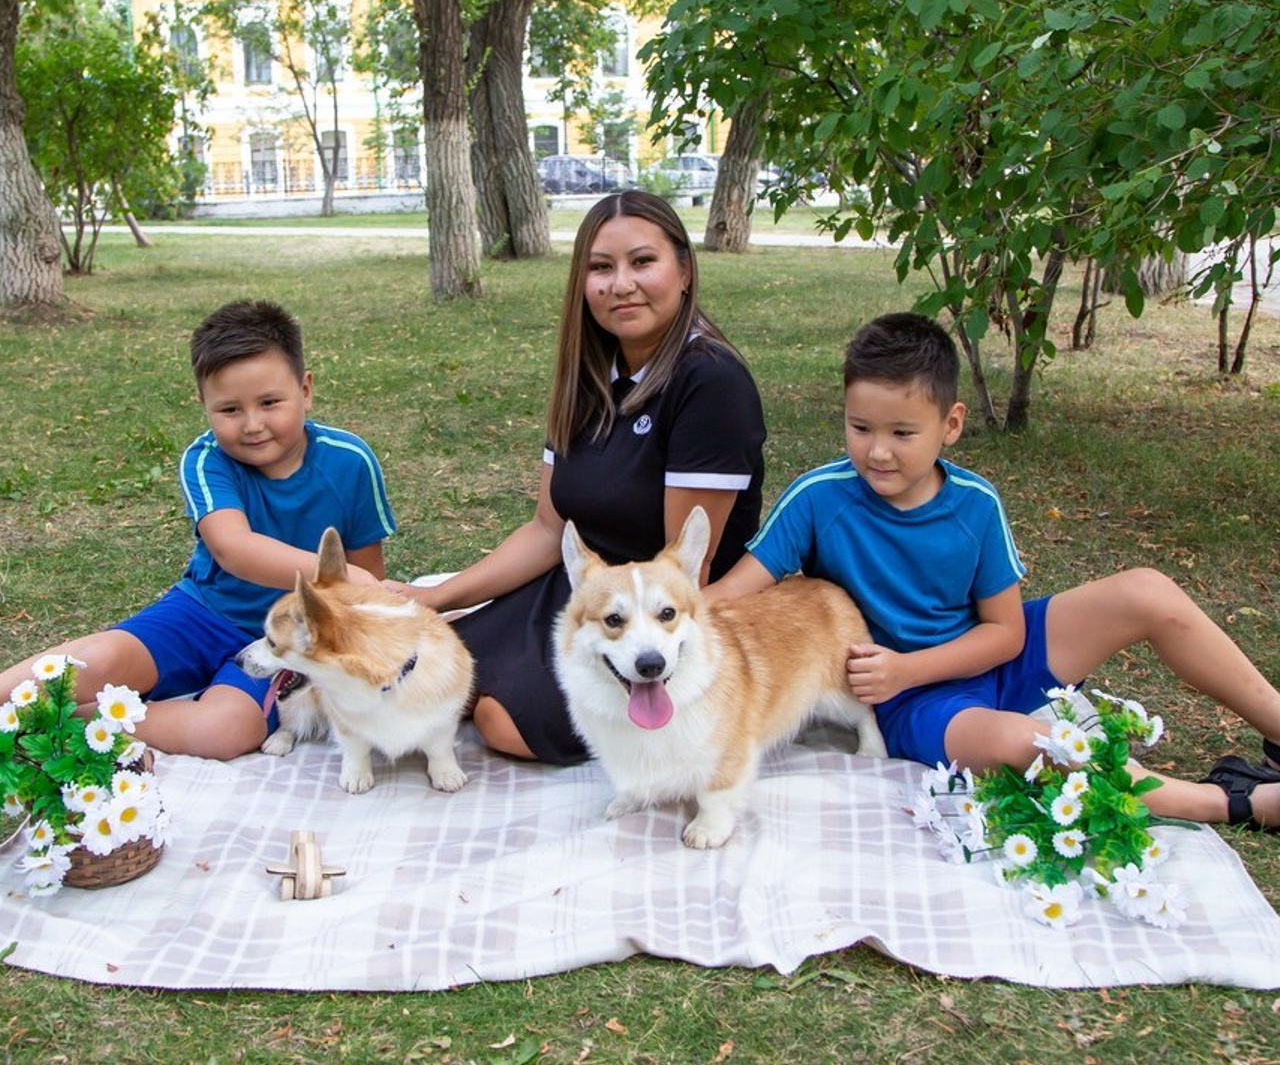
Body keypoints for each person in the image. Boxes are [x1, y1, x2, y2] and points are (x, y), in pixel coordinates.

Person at [704, 311, 1280, 828]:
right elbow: (730, 596)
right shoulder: (817, 497)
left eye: (902, 433)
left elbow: (1006, 634)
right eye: (861, 428)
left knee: (1149, 591)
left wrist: (910, 665)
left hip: (977, 659)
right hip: (909, 699)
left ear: (950, 424)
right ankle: (1228, 800)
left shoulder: (975, 503)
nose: (878, 451)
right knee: (1029, 742)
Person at [392, 191, 766, 765]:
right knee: (420, 674)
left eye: (643, 262)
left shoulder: (710, 381)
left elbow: (686, 569)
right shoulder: (589, 372)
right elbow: (548, 529)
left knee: (501, 722)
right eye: (601, 267)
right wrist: (433, 597)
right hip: (578, 593)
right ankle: (485, 630)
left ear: (685, 272)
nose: (621, 284)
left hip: (645, 619)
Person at [0, 299, 397, 760]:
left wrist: (353, 605)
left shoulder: (350, 461)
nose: (252, 425)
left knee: (224, 731)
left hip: (285, 642)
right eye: (229, 409)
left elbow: (365, 579)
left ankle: (79, 723)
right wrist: (339, 576)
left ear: (305, 390)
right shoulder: (206, 458)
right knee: (99, 659)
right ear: (203, 405)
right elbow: (233, 548)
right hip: (201, 613)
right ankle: (10, 699)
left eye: (270, 402)